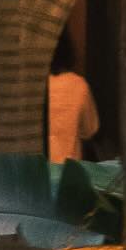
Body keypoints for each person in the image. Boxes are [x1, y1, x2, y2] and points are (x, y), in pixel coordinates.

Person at [47, 29, 100, 164]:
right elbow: (90, 130)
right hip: (68, 168)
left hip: (39, 169)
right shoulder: (79, 86)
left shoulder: (33, 86)